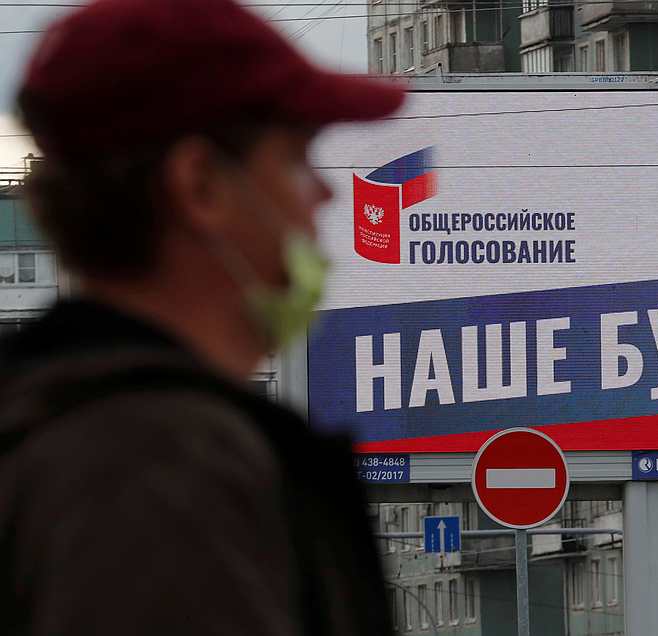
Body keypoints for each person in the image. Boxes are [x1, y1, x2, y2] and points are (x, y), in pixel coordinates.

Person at [0, 0, 405, 634]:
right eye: (297, 158)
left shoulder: (65, 421)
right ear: (201, 188)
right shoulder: (154, 466)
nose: (324, 193)